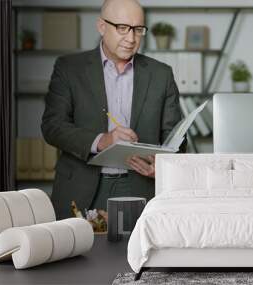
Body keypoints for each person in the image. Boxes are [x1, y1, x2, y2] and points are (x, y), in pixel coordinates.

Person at [42, 0, 185, 219]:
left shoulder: (161, 74)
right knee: (78, 254)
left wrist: (164, 165)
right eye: (122, 28)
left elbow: (176, 136)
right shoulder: (69, 68)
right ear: (101, 26)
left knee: (138, 254)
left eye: (138, 30)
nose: (131, 39)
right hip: (82, 187)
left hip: (141, 187)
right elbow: (53, 126)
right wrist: (103, 140)